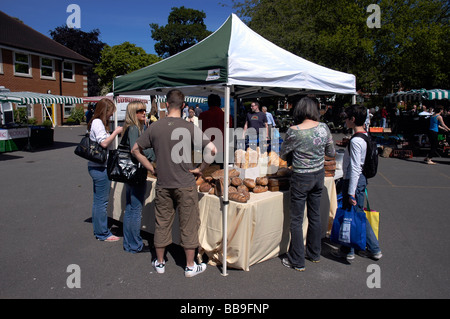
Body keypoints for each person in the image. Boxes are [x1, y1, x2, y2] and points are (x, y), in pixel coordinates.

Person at [132, 89, 217, 277]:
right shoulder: (189, 127)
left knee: (162, 223)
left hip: (163, 182)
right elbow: (212, 149)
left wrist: (150, 168)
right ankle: (189, 266)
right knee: (188, 224)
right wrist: (200, 168)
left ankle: (160, 262)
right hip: (185, 183)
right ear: (184, 106)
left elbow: (135, 149)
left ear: (166, 104)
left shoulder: (155, 126)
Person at [279, 97, 335, 271]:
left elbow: (282, 154)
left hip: (301, 177)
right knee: (314, 215)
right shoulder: (324, 128)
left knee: (296, 220)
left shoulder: (293, 131)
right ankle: (314, 253)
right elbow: (331, 152)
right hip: (318, 176)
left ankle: (297, 260)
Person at [333, 104, 382, 261]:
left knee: (357, 215)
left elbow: (355, 167)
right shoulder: (364, 136)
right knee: (353, 214)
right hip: (360, 180)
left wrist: (351, 191)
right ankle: (348, 249)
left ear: (352, 119)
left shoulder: (356, 141)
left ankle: (373, 249)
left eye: (347, 117)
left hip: (354, 180)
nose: (345, 120)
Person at [121, 101, 155, 253]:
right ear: (133, 112)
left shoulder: (130, 128)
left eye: (144, 110)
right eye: (140, 111)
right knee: (135, 210)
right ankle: (135, 244)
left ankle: (129, 243)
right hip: (135, 173)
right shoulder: (134, 128)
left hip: (129, 174)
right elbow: (136, 150)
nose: (144, 113)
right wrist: (153, 154)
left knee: (129, 209)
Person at [87, 98, 123, 242]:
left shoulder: (96, 122)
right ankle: (102, 233)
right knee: (101, 202)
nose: (110, 115)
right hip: (99, 167)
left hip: (96, 166)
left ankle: (100, 230)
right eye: (109, 112)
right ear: (105, 110)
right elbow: (103, 142)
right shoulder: (97, 123)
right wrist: (116, 132)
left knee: (98, 201)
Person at [198, 94, 232, 164]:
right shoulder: (227, 116)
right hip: (222, 149)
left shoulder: (202, 115)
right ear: (219, 103)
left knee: (206, 172)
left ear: (208, 103)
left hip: (207, 148)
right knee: (221, 172)